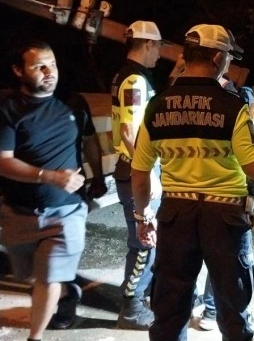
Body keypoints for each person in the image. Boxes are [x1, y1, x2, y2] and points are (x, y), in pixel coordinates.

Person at [130, 24, 254, 341]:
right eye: (228, 57)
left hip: (175, 215)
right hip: (225, 218)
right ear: (216, 58)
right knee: (234, 310)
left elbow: (140, 173)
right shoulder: (233, 107)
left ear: (186, 55)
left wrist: (143, 216)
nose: (228, 63)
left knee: (169, 312)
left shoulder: (157, 105)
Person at [0, 39, 107, 341]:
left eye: (53, 65)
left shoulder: (73, 103)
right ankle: (67, 291)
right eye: (39, 66)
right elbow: (3, 161)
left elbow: (89, 141)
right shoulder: (8, 110)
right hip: (19, 213)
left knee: (47, 279)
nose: (50, 72)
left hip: (67, 211)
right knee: (31, 277)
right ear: (18, 70)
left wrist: (97, 175)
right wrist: (49, 176)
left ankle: (35, 337)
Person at [110, 20, 167, 329]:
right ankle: (131, 308)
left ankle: (141, 296)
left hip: (131, 167)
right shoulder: (135, 80)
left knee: (146, 238)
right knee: (144, 241)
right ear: (148, 44)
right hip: (136, 169)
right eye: (158, 47)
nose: (159, 53)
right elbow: (129, 131)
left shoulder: (124, 75)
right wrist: (146, 173)